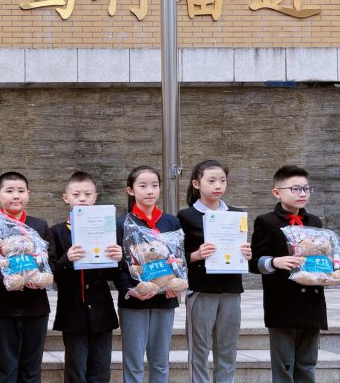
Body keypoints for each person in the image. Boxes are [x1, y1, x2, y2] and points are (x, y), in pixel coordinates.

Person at [249, 165, 327, 383]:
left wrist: (329, 269)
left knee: (308, 362)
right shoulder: (267, 221)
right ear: (277, 192)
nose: (303, 194)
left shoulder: (315, 222)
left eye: (306, 189)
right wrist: (274, 261)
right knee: (284, 364)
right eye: (295, 189)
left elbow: (321, 256)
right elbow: (253, 262)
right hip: (282, 302)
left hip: (312, 302)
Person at [0, 171, 52, 383]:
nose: (16, 195)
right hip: (2, 308)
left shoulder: (39, 225)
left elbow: (51, 258)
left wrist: (41, 277)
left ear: (28, 195)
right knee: (6, 369)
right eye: (9, 191)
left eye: (21, 191)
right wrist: (4, 280)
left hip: (36, 307)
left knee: (32, 369)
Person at [178, 160, 251, 383]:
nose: (218, 185)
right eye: (211, 181)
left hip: (231, 289)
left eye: (222, 181)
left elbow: (245, 251)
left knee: (228, 347)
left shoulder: (236, 215)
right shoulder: (186, 216)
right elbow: (177, 256)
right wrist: (196, 255)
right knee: (199, 349)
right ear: (196, 184)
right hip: (202, 289)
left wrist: (247, 253)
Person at [47, 171, 121, 383]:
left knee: (101, 371)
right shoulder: (56, 232)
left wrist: (118, 259)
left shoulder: (107, 229)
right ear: (65, 198)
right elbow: (51, 273)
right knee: (76, 370)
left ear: (95, 197)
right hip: (73, 312)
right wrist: (67, 259)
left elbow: (113, 275)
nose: (82, 199)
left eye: (87, 194)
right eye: (76, 194)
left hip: (101, 311)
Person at [114, 166, 181, 383]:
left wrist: (175, 285)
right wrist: (130, 289)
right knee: (134, 362)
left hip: (165, 298)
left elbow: (177, 257)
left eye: (154, 185)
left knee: (160, 361)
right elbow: (117, 265)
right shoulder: (121, 223)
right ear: (130, 190)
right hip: (135, 299)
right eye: (142, 186)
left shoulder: (171, 222)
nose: (150, 191)